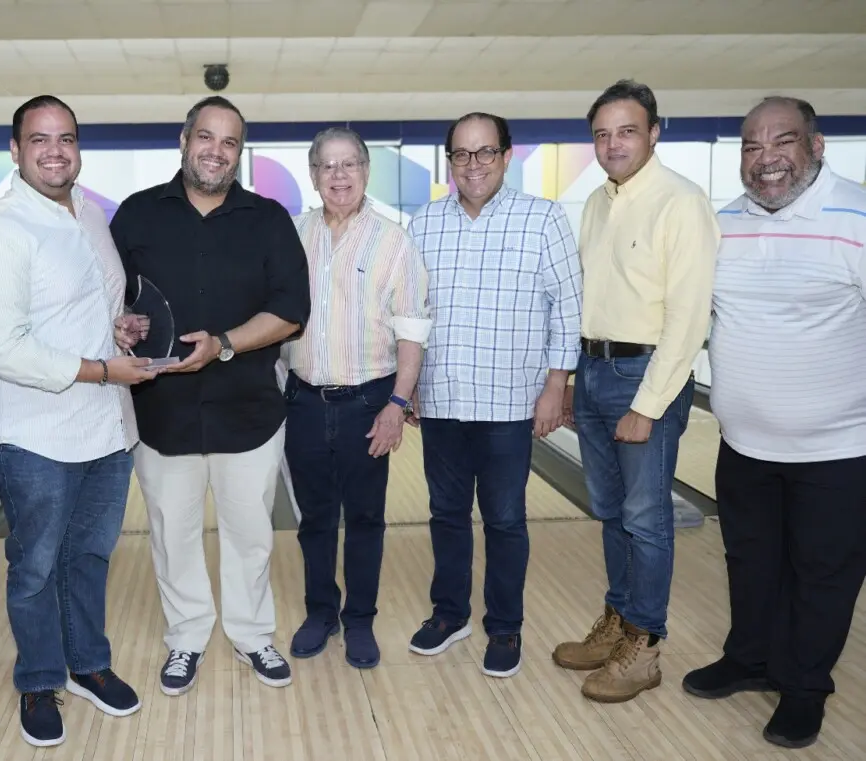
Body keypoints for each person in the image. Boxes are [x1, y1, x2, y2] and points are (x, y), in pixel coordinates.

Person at [0, 95, 158, 748]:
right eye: (38, 139)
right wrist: (103, 369)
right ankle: (39, 678)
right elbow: (4, 346)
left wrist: (119, 327)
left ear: (78, 146)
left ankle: (89, 662)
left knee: (91, 554)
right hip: (33, 429)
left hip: (105, 425)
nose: (54, 151)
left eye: (65, 138)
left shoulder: (92, 214)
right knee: (37, 563)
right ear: (15, 150)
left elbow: (90, 309)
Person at [109, 95, 311, 695]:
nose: (216, 151)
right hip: (162, 412)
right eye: (206, 137)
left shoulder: (269, 219)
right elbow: (113, 298)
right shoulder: (137, 216)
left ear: (239, 153)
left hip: (247, 411)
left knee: (250, 535)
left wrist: (223, 343)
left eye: (229, 142)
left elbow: (291, 312)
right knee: (173, 535)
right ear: (184, 139)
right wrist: (121, 322)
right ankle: (188, 638)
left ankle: (252, 636)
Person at [683, 96, 866, 749]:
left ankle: (805, 685)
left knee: (822, 572)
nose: (766, 161)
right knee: (750, 560)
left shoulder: (857, 213)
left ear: (816, 146)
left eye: (781, 142)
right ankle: (751, 657)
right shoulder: (723, 222)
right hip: (745, 442)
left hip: (839, 449)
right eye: (751, 147)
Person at [551, 80, 719, 703]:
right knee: (611, 511)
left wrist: (647, 405)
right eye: (601, 133)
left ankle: (644, 645)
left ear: (654, 132)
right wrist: (571, 378)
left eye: (626, 130)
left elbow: (688, 317)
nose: (612, 143)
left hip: (643, 376)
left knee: (646, 520)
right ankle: (618, 620)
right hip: (594, 371)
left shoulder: (681, 201)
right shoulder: (597, 202)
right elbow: (586, 301)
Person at [406, 112, 582, 678]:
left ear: (507, 156)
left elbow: (569, 309)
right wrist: (404, 387)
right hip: (442, 399)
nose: (473, 165)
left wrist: (557, 384)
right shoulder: (423, 224)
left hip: (510, 402)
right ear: (449, 162)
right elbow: (410, 315)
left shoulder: (544, 218)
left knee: (505, 520)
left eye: (485, 153)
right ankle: (449, 614)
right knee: (446, 515)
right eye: (461, 154)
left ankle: (504, 626)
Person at [281, 127, 430, 670]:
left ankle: (360, 619)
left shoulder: (394, 241)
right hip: (303, 400)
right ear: (314, 174)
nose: (339, 176)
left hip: (369, 400)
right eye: (328, 166)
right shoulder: (294, 234)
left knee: (365, 518)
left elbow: (412, 329)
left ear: (366, 172)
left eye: (350, 165)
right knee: (314, 519)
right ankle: (321, 611)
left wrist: (397, 403)